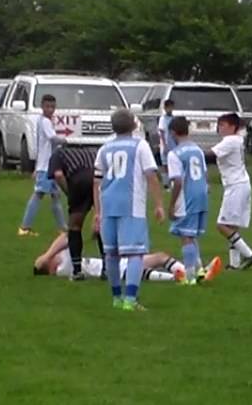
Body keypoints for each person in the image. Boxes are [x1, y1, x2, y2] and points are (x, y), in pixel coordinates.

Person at [93, 108, 165, 311]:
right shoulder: (140, 146)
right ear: (134, 124)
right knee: (135, 253)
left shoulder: (105, 148)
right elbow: (151, 176)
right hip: (131, 205)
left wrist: (98, 211)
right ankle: (130, 299)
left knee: (112, 254)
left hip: (108, 205)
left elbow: (96, 182)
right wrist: (158, 204)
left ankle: (116, 298)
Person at [167, 116, 223, 285]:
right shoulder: (197, 149)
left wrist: (171, 205)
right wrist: (206, 187)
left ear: (172, 133)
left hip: (188, 195)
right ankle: (199, 270)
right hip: (202, 193)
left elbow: (177, 181)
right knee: (191, 234)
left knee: (185, 235)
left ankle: (190, 277)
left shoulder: (174, 154)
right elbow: (205, 173)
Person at [33, 230, 187, 283]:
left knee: (161, 256)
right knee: (140, 270)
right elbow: (64, 239)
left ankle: (188, 273)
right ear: (50, 269)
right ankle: (178, 278)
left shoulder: (67, 259)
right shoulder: (63, 269)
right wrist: (48, 255)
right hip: (116, 270)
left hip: (115, 262)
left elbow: (66, 236)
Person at [211, 112, 252, 270]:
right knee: (232, 226)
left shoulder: (230, 140)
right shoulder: (236, 139)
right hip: (240, 184)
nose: (220, 128)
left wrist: (191, 153)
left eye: (223, 125)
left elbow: (211, 155)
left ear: (233, 127)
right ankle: (234, 264)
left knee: (222, 225)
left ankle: (249, 254)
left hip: (235, 185)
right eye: (219, 125)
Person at [49, 143, 101, 281]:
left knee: (75, 225)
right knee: (101, 221)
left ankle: (77, 270)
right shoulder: (92, 150)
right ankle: (107, 269)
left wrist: (69, 193)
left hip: (79, 180)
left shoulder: (58, 153)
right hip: (99, 179)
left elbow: (58, 175)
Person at [19, 94, 67, 237]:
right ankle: (24, 227)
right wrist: (64, 141)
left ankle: (62, 228)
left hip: (49, 165)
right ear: (42, 106)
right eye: (47, 106)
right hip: (45, 167)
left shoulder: (45, 121)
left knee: (56, 196)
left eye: (53, 107)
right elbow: (52, 138)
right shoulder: (45, 121)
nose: (50, 109)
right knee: (38, 194)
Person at [157, 99, 176, 185]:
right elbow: (161, 132)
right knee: (165, 164)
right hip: (165, 144)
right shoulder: (162, 119)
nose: (170, 109)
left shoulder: (174, 119)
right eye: (168, 108)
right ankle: (166, 183)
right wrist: (164, 145)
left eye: (171, 107)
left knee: (173, 162)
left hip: (173, 144)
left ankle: (172, 181)